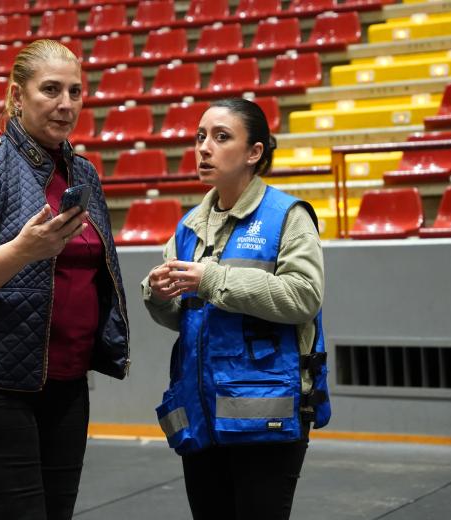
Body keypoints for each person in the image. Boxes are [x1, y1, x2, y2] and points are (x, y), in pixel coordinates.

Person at [0, 39, 129, 520]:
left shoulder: (85, 174)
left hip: (66, 385)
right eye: (50, 90)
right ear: (17, 95)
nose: (66, 104)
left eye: (75, 91)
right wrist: (20, 252)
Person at [142, 98, 331, 520]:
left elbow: (303, 296)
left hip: (265, 414)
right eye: (200, 137)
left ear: (254, 153)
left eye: (221, 137)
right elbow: (181, 317)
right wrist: (159, 295)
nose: (204, 148)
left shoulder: (288, 216)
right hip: (201, 410)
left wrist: (211, 280)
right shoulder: (190, 224)